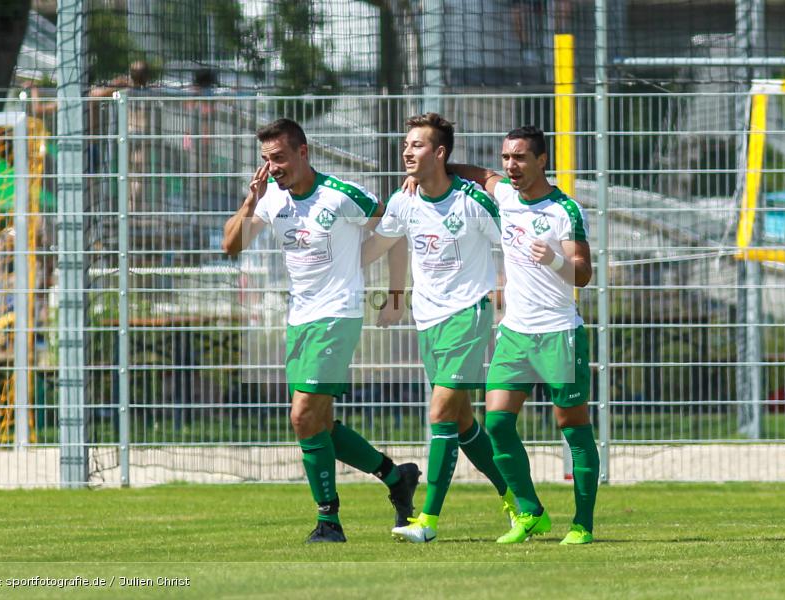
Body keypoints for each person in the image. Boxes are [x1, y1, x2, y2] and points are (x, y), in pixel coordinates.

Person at [222, 118, 420, 543]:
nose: (272, 167)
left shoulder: (342, 195)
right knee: (320, 424)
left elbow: (395, 231)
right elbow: (231, 246)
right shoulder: (271, 198)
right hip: (300, 320)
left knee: (301, 415)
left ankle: (329, 520)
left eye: (278, 158)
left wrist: (396, 293)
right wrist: (249, 202)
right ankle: (395, 476)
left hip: (339, 315)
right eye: (266, 160)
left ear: (302, 152)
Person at [362, 113, 519, 543]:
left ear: (441, 153)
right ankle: (520, 503)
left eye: (417, 145)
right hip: (427, 320)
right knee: (464, 423)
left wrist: (519, 295)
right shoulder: (403, 199)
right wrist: (385, 291)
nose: (407, 151)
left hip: (469, 316)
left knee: (440, 414)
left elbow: (516, 241)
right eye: (406, 144)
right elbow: (382, 243)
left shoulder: (472, 200)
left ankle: (427, 521)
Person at [450, 125, 598, 544]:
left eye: (519, 157)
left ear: (541, 161)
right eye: (506, 157)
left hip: (558, 333)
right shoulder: (506, 196)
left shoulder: (564, 211)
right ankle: (531, 511)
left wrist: (553, 259)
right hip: (515, 332)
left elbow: (583, 274)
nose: (510, 166)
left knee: (572, 424)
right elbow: (478, 174)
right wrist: (431, 169)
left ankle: (583, 523)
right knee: (496, 423)